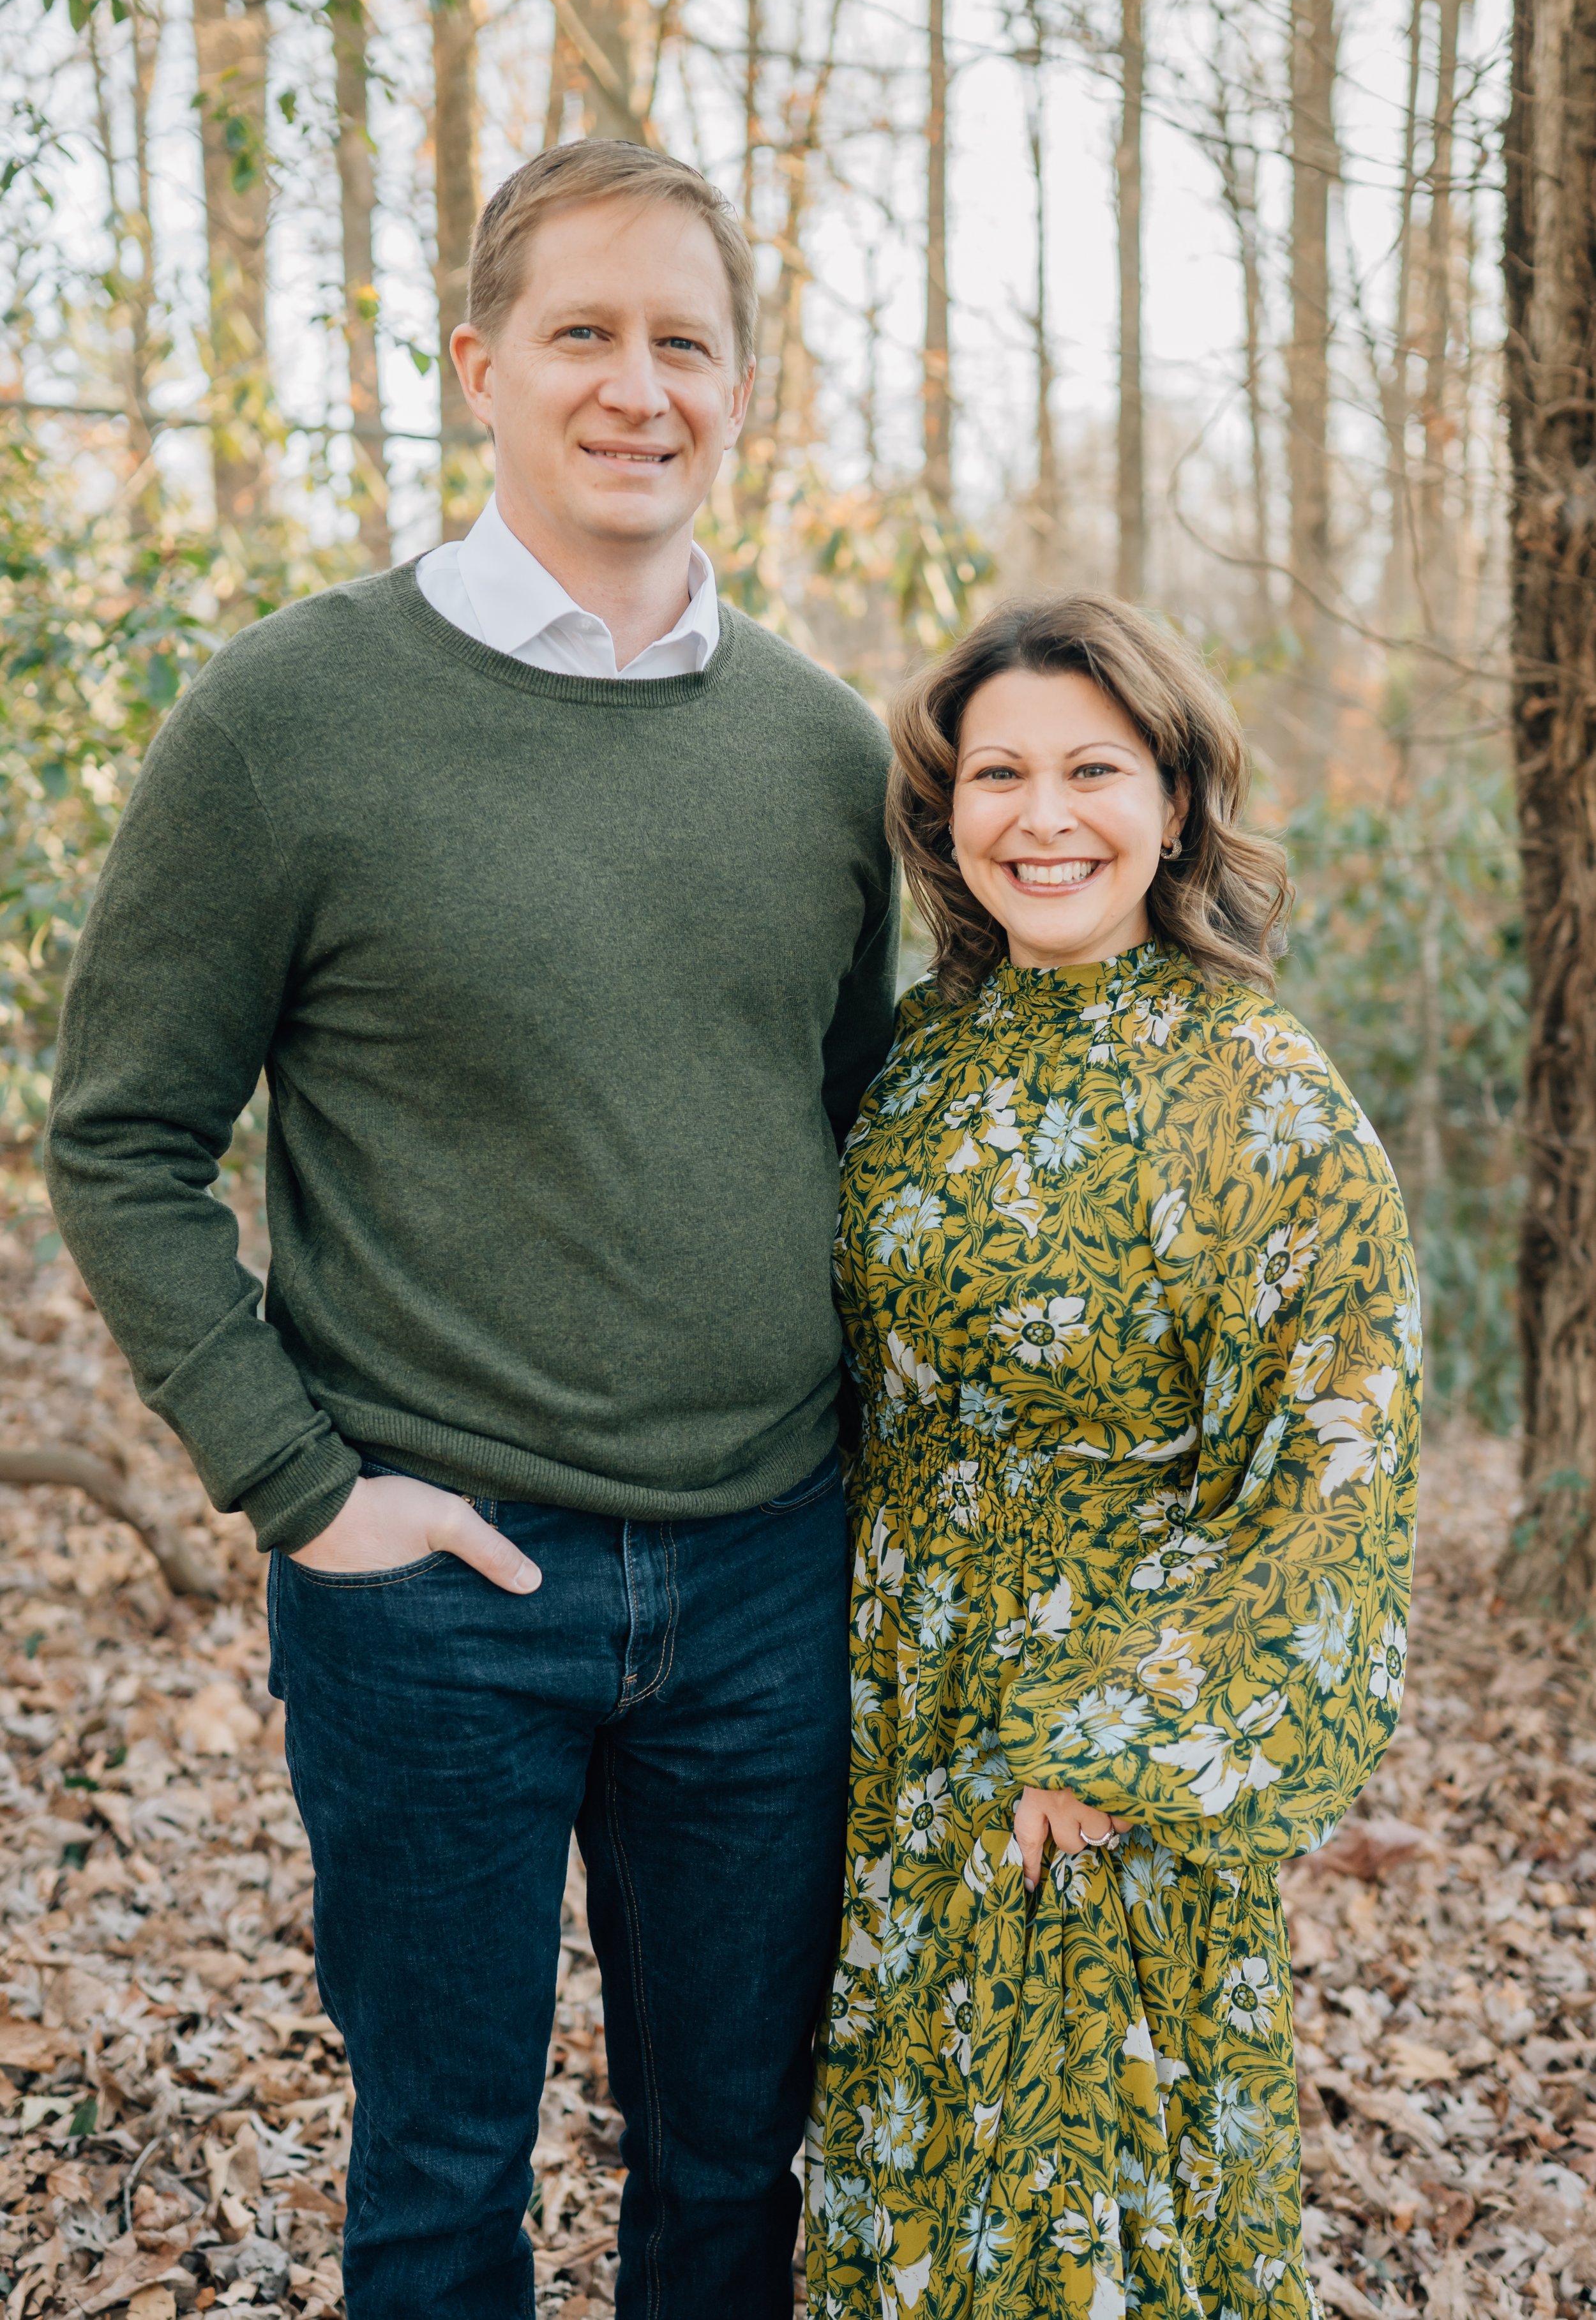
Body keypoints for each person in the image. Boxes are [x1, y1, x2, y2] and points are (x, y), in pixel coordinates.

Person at [43, 140, 898, 2320]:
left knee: (735, 2163)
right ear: (476, 367)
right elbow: (123, 1135)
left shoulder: (821, 753)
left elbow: (853, 1137)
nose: (637, 386)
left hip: (764, 1580)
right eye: (583, 334)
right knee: (440, 2175)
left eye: (682, 342)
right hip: (435, 1594)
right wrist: (304, 1492)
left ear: (740, 388)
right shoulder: (285, 722)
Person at [808, 595, 1419, 2319]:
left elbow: (1340, 1485)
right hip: (896, 1720)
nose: (1042, 815)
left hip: (1100, 1756)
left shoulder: (1265, 1106)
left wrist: (1123, 1749)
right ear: (948, 819)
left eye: (1091, 768)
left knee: (1087, 2208)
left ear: (1173, 801)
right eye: (997, 774)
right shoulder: (917, 1063)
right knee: (924, 2186)